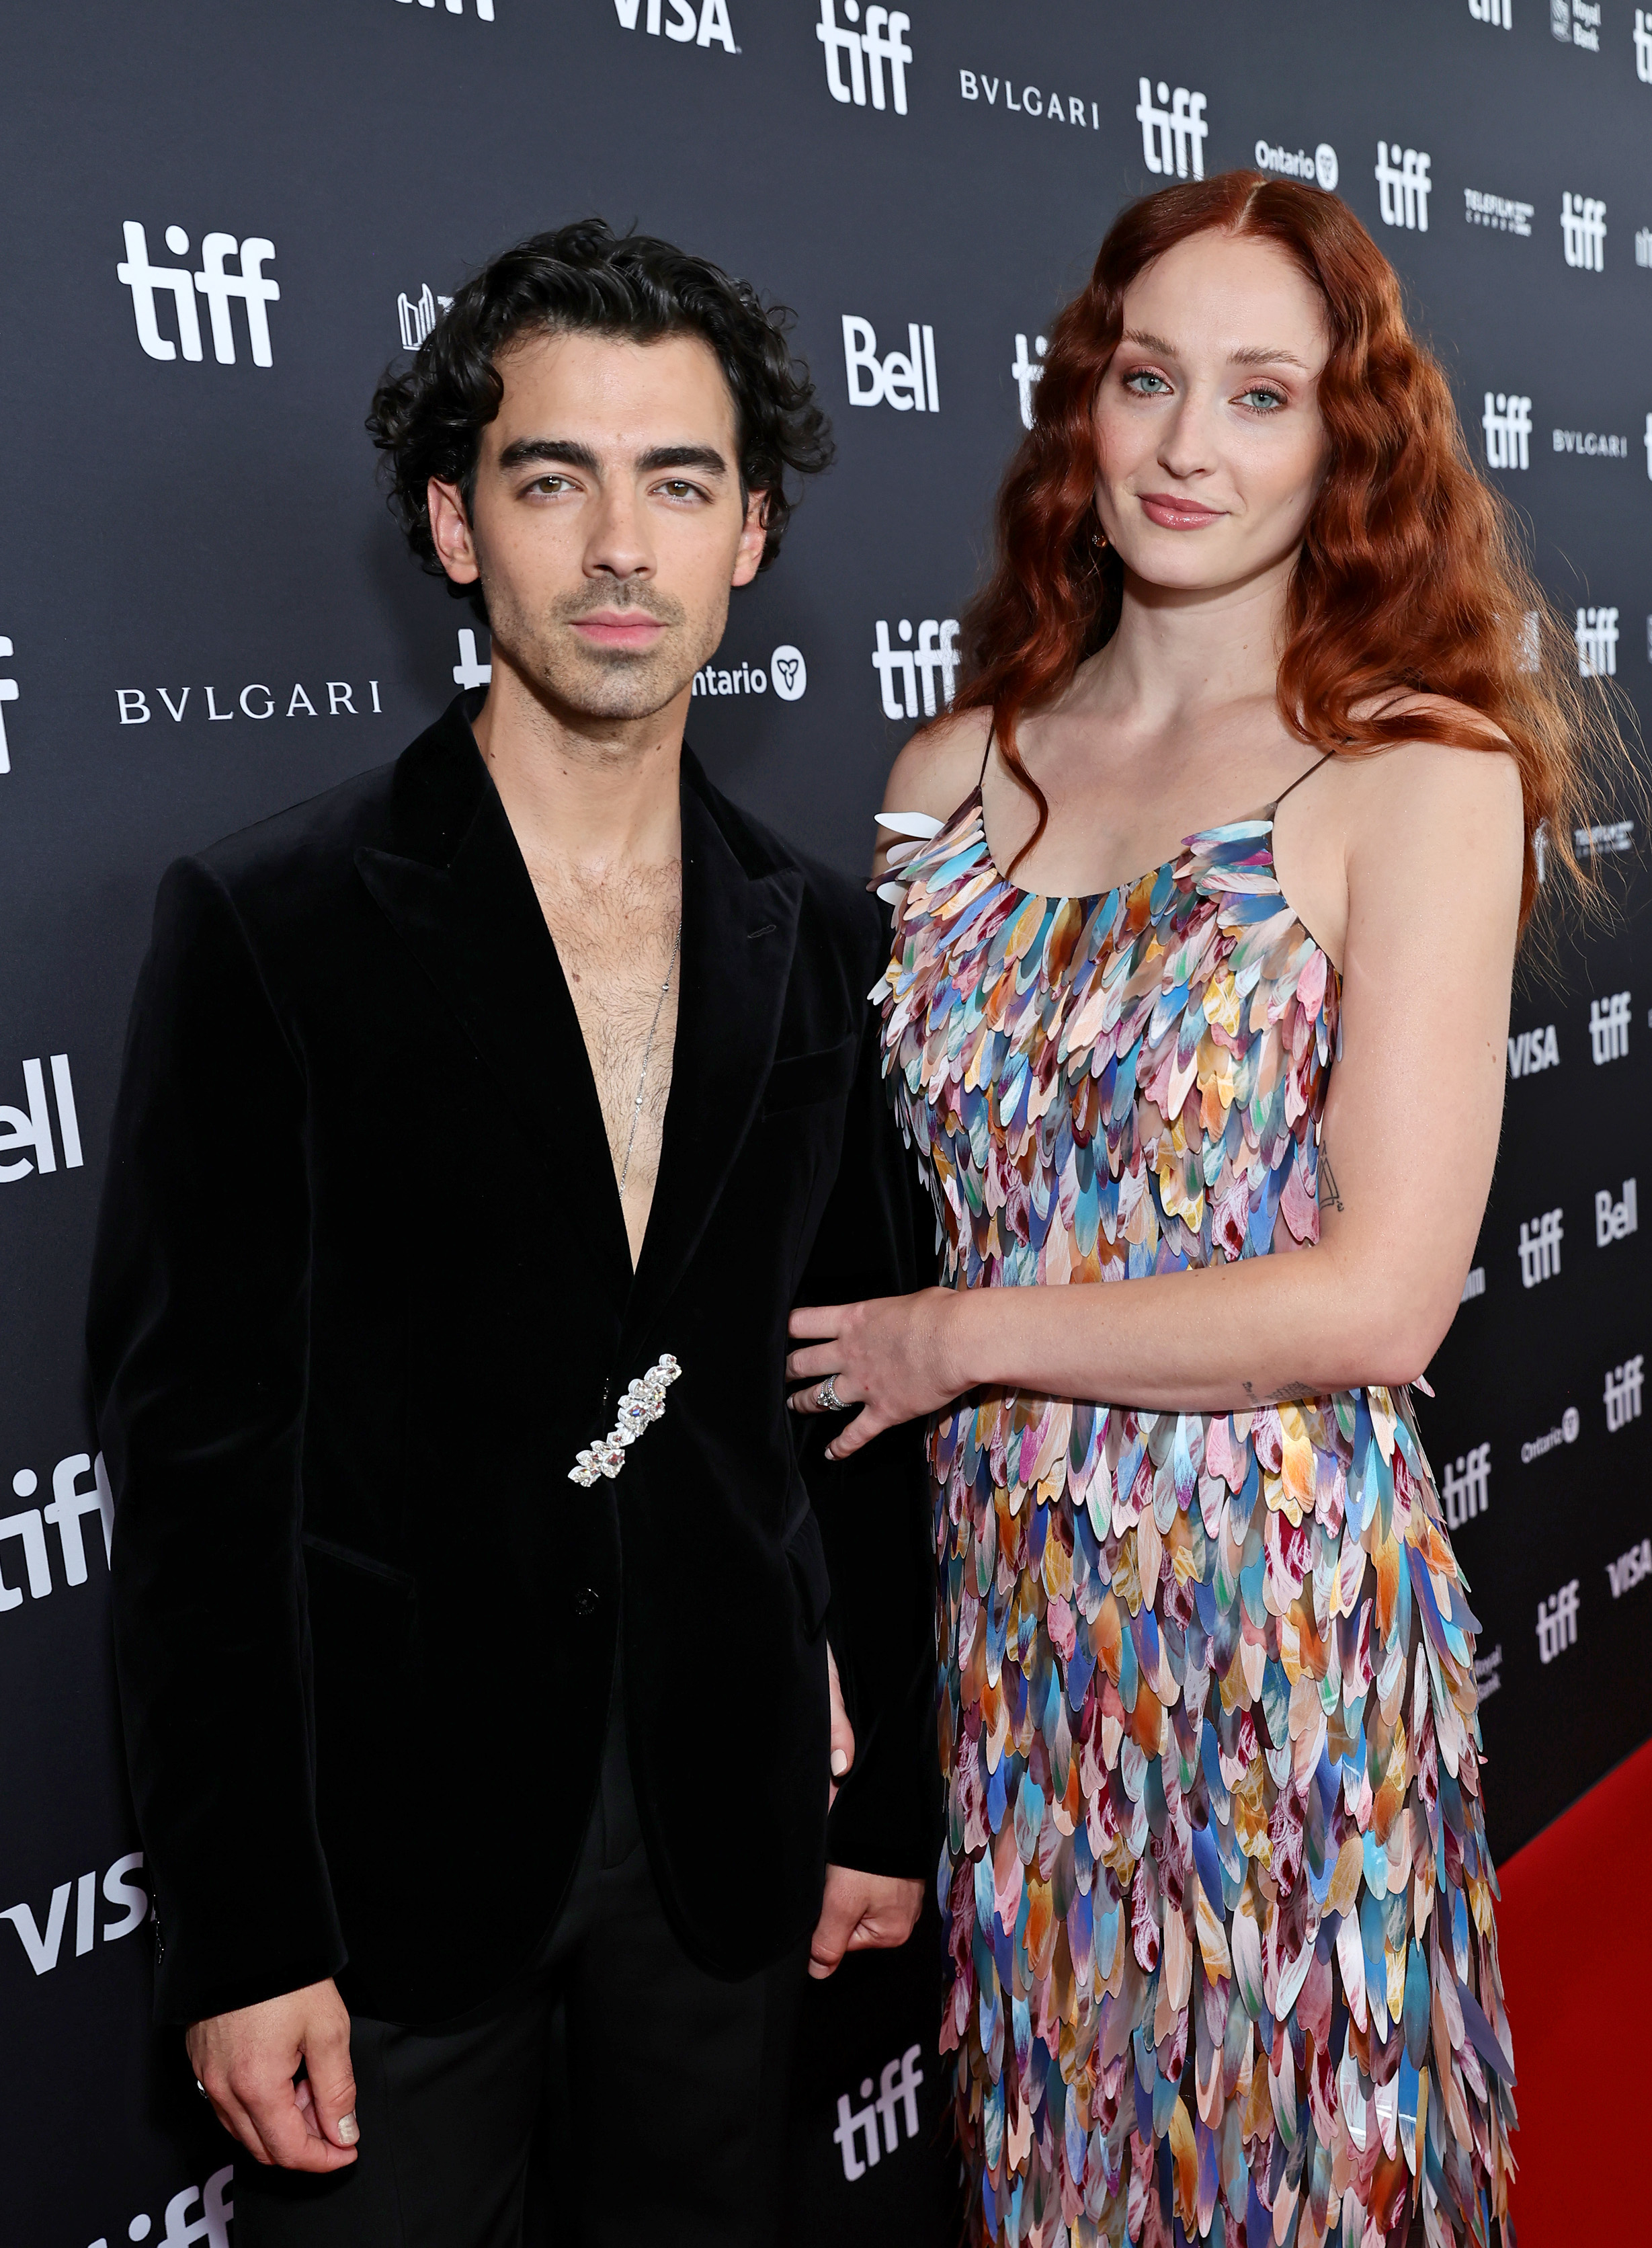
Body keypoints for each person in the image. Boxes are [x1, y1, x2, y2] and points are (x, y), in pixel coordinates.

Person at [787, 172, 1616, 2247]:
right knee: (1070, 2157)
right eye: (1148, 380)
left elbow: (1378, 1300)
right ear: (1082, 407)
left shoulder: (1414, 774)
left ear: (1346, 446)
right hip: (1009, 1620)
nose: (1184, 446)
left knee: (1298, 2155)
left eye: (1260, 395)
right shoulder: (941, 778)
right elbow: (867, 1211)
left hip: (1272, 1615)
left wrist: (956, 1338)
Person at [89, 219, 934, 2248]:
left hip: (733, 1843)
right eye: (554, 479)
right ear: (456, 529)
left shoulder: (821, 933)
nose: (619, 548)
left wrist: (886, 1793)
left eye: (680, 482)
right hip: (388, 1867)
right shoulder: (272, 925)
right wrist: (242, 1931)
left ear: (751, 533)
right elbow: (198, 1466)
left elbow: (859, 1394)